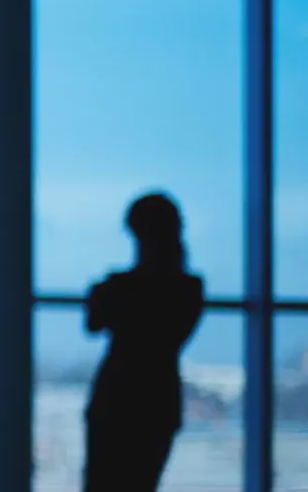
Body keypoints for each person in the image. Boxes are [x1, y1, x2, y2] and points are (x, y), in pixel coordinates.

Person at [82, 193, 203, 492]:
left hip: (115, 396)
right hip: (157, 399)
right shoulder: (188, 289)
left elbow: (93, 323)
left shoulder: (120, 287)